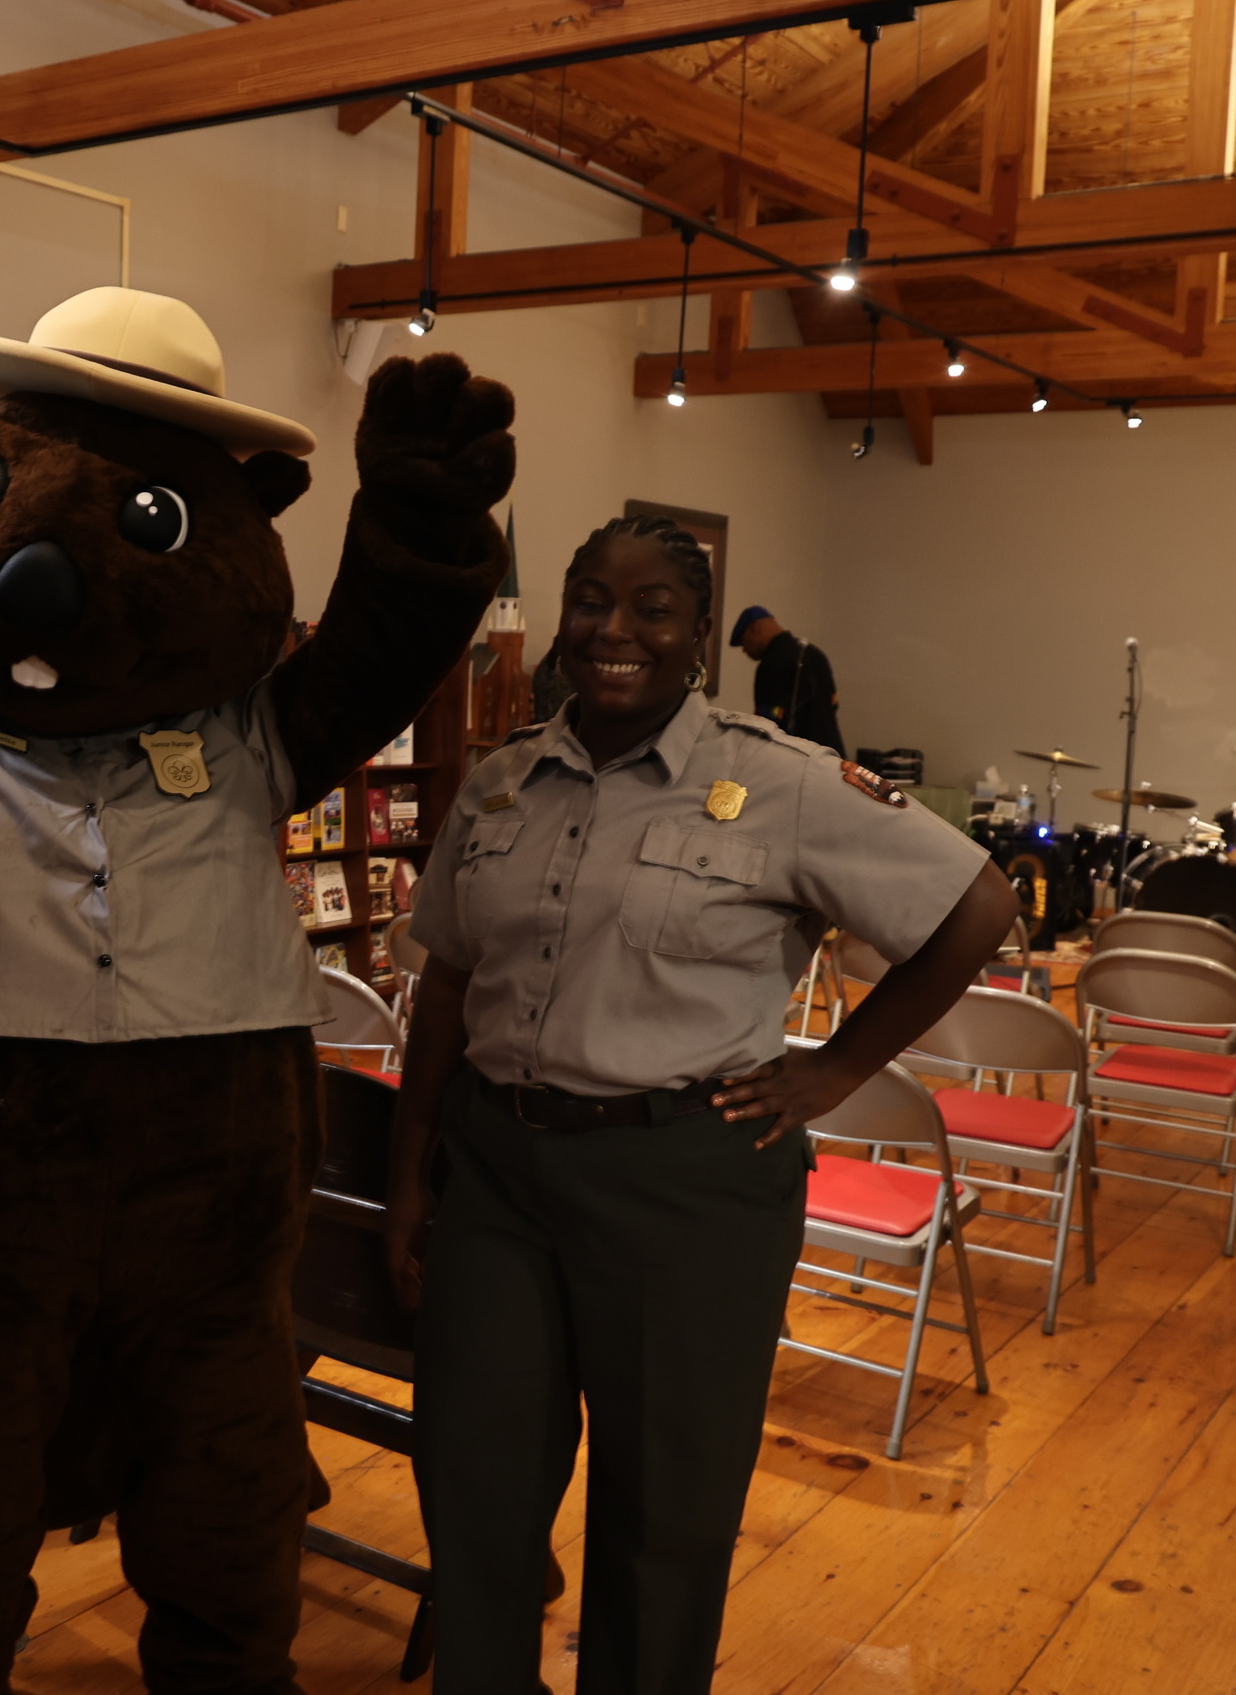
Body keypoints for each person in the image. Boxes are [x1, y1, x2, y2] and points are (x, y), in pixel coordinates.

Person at [386, 515, 1016, 1695]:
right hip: (500, 1184)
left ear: (696, 639)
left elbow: (976, 907)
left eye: (651, 609)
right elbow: (451, 984)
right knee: (476, 1491)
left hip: (684, 1187)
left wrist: (833, 1068)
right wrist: (415, 1171)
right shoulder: (501, 781)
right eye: (588, 601)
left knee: (663, 1521)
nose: (611, 631)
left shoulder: (777, 782)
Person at [733, 603, 843, 753]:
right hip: (832, 757)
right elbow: (833, 704)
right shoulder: (815, 653)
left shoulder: (771, 664)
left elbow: (767, 724)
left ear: (754, 628)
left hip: (796, 760)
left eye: (743, 642)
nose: (745, 650)